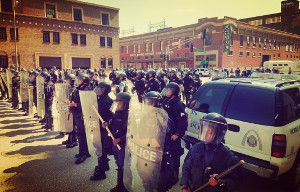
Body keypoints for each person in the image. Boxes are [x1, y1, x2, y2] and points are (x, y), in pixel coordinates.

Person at [180, 113, 242, 192]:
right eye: (204, 130)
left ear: (219, 134)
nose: (205, 134)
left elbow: (236, 181)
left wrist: (221, 182)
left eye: (210, 132)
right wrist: (184, 186)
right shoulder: (196, 148)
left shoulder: (227, 155)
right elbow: (186, 167)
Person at [102, 92, 131, 192]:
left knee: (124, 166)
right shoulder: (117, 113)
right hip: (116, 144)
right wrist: (107, 124)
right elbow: (113, 124)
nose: (117, 105)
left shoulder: (130, 116)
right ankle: (120, 186)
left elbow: (131, 133)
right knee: (119, 164)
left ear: (126, 104)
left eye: (119, 103)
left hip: (124, 145)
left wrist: (120, 139)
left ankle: (126, 187)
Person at [161, 82, 188, 180]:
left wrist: (177, 134)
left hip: (174, 134)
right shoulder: (165, 101)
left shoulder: (178, 104)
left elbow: (183, 121)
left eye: (168, 90)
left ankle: (175, 175)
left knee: (174, 154)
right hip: (165, 133)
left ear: (173, 91)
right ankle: (166, 173)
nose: (166, 91)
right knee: (165, 153)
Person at [90, 81, 114, 181]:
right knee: (102, 148)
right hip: (102, 129)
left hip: (102, 129)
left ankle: (101, 172)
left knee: (101, 149)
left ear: (104, 90)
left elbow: (107, 116)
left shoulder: (105, 102)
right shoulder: (103, 99)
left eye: (100, 89)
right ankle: (105, 165)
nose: (98, 90)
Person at [69, 73, 91, 164]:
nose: (78, 81)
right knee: (81, 134)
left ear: (85, 81)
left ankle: (82, 154)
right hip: (77, 114)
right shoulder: (79, 89)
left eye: (80, 80)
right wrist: (71, 108)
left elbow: (87, 104)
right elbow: (73, 99)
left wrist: (75, 105)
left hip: (82, 115)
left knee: (81, 134)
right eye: (78, 79)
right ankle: (86, 152)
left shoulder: (86, 90)